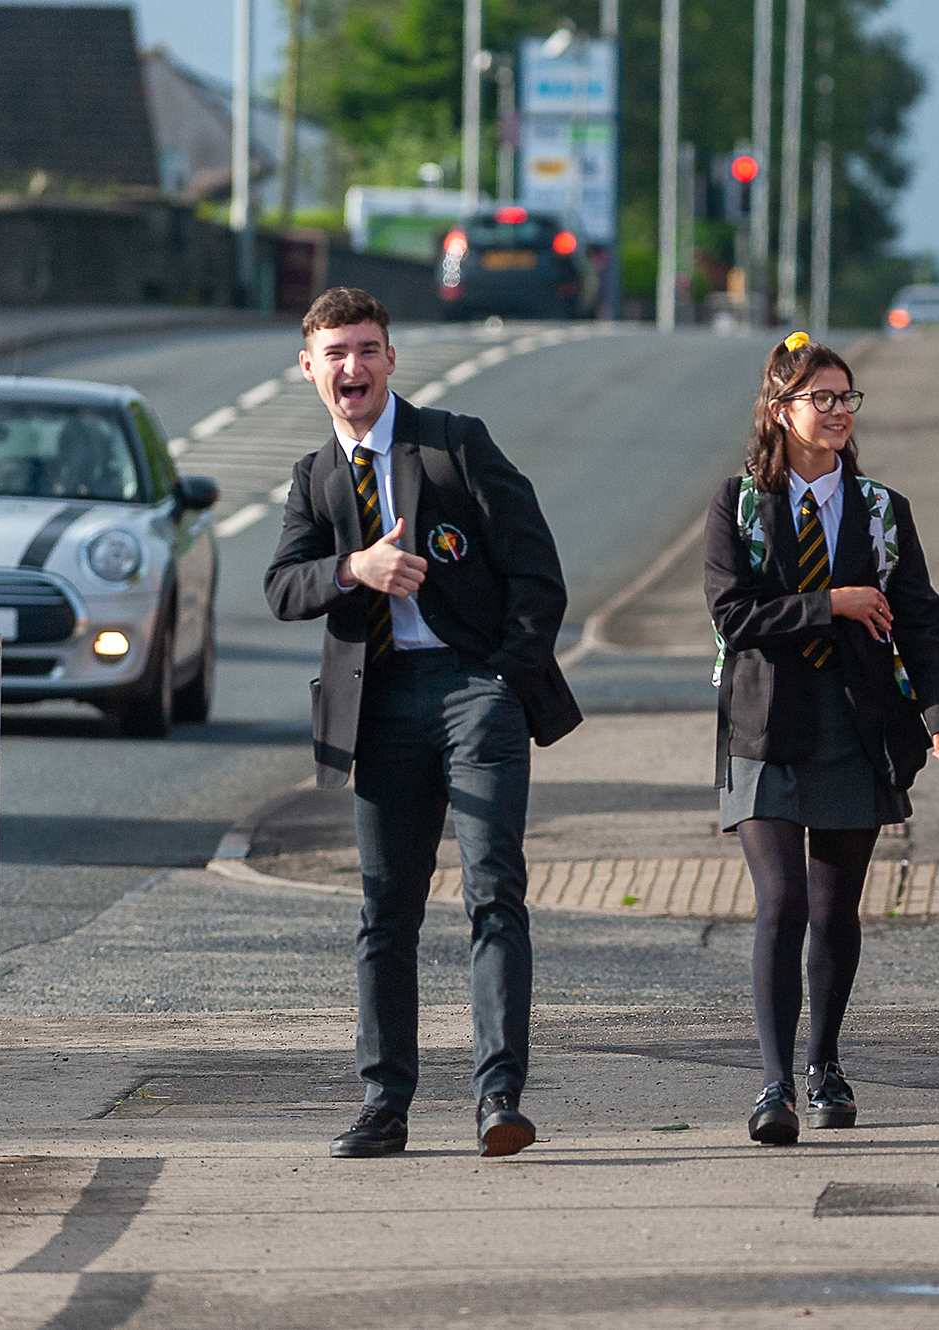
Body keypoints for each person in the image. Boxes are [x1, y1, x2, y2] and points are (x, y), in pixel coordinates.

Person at [265, 287, 582, 1161]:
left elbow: (537, 571)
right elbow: (283, 587)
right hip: (381, 706)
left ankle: (499, 1096)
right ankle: (384, 1105)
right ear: (310, 368)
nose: (352, 368)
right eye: (335, 354)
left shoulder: (452, 444)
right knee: (385, 912)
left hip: (473, 691)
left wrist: (506, 675)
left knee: (493, 891)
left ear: (391, 358)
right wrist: (354, 568)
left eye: (367, 350)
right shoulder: (316, 478)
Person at [705, 332, 939, 1146]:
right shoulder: (740, 503)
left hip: (856, 728)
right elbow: (732, 612)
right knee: (781, 901)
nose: (837, 412)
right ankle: (774, 1082)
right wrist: (832, 603)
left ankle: (825, 1065)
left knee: (835, 909)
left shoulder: (884, 510)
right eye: (820, 398)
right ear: (779, 410)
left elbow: (922, 619)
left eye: (846, 397)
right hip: (763, 729)